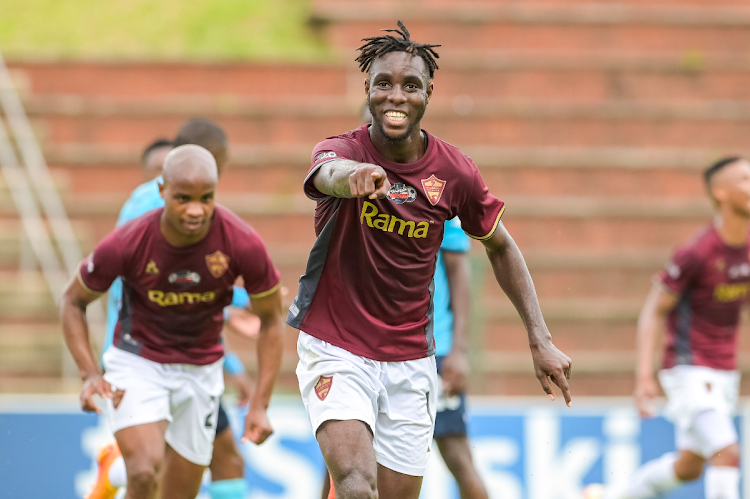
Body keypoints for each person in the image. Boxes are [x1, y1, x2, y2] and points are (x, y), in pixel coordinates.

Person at [289, 21, 572, 499]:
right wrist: (352, 175)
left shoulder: (454, 172)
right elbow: (326, 173)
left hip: (411, 357)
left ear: (428, 93)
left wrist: (539, 338)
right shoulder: (341, 150)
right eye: (383, 84)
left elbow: (500, 245)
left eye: (410, 86)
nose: (395, 96)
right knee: (356, 485)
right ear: (367, 90)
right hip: (335, 344)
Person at [60, 145, 284, 499]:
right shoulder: (129, 240)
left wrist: (260, 403)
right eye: (183, 198)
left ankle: (112, 469)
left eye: (205, 198)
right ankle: (122, 469)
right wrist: (89, 372)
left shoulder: (241, 241)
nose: (196, 210)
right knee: (146, 471)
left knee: (176, 492)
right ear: (161, 190)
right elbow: (73, 300)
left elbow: (272, 320)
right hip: (138, 361)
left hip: (201, 371)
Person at [583, 156, 749, 499]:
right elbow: (654, 311)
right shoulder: (697, 251)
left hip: (724, 372)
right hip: (689, 370)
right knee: (726, 452)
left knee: (688, 467)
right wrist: (644, 376)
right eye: (746, 179)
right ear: (721, 192)